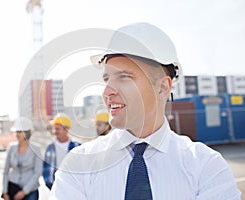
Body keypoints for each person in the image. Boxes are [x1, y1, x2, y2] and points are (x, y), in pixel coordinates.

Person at [49, 23, 241, 199]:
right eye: (106, 79)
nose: (107, 91)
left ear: (163, 88)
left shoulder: (206, 167)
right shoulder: (78, 166)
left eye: (124, 77)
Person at [2, 117, 42, 200]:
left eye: (19, 132)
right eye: (17, 131)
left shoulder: (36, 149)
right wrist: (5, 191)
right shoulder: (11, 148)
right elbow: (6, 171)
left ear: (27, 133)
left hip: (31, 191)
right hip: (13, 189)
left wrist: (24, 191)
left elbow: (37, 173)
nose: (17, 134)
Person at [43, 113, 80, 190]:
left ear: (66, 129)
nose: (55, 131)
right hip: (55, 188)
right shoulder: (49, 147)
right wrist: (53, 187)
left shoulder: (77, 147)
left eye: (58, 129)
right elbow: (46, 169)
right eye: (54, 128)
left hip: (74, 189)